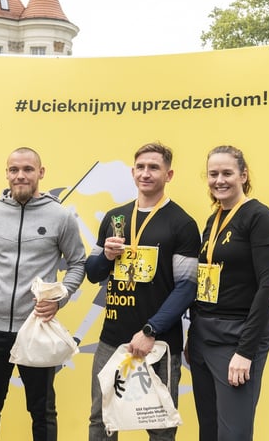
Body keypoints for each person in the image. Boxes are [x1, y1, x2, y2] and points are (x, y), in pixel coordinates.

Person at [0, 147, 86, 441]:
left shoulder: (61, 217)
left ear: (41, 172)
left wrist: (60, 298)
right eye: (14, 170)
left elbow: (77, 263)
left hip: (36, 328)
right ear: (7, 173)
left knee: (42, 412)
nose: (20, 175)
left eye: (28, 169)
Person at [86, 142, 201, 441]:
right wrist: (106, 256)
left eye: (154, 168)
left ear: (169, 174)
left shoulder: (182, 224)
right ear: (132, 171)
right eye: (140, 167)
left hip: (159, 343)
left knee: (161, 426)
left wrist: (150, 330)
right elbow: (93, 273)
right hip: (112, 340)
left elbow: (187, 287)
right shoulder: (115, 218)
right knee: (101, 420)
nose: (146, 173)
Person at [187, 145, 269, 441]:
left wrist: (245, 351)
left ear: (243, 175)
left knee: (233, 434)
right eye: (213, 174)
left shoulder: (259, 217)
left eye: (227, 173)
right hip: (203, 335)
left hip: (237, 337)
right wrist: (193, 334)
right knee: (209, 431)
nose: (219, 180)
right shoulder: (213, 220)